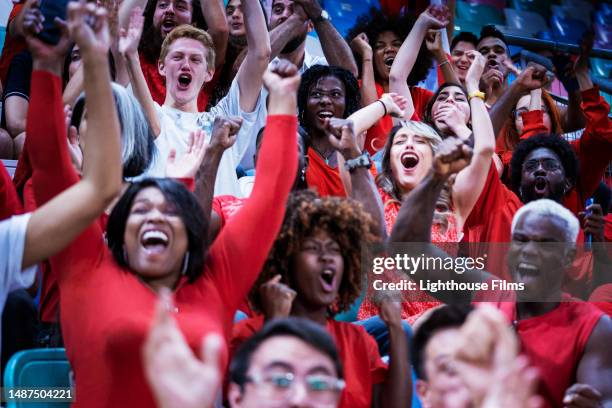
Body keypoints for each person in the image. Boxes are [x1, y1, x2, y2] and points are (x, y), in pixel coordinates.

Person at [27, 13, 300, 397]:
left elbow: (270, 196)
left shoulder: (214, 281)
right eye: (140, 210)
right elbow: (47, 167)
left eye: (169, 211)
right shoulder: (89, 270)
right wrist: (45, 66)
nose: (155, 215)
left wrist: (284, 104)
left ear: (189, 227)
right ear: (118, 229)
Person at [389, 134, 612, 407]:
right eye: (521, 240)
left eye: (544, 243)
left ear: (567, 257)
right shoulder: (489, 293)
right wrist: (436, 176)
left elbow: (602, 400)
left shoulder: (592, 327)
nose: (529, 250)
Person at [0, 0, 122, 361]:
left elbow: (101, 187)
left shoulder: (4, 246)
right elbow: (49, 164)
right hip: (56, 334)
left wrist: (52, 64)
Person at [232, 188, 410, 408]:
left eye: (335, 249)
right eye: (313, 248)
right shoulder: (247, 335)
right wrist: (275, 325)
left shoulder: (358, 341)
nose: (327, 257)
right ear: (285, 261)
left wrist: (395, 327)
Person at [121, 1, 269, 196]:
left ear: (209, 73)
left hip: (221, 216)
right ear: (162, 67)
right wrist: (131, 57)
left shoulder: (223, 122)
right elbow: (152, 122)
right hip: (163, 214)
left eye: (195, 59)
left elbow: (261, 53)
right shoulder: (150, 116)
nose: (185, 65)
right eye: (177, 57)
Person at [142, 290, 346, 408]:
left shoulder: (355, 338)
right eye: (279, 381)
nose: (299, 398)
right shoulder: (241, 332)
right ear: (237, 397)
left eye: (319, 384)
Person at [347, 8, 435, 154]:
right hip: (369, 168)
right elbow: (372, 114)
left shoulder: (421, 96)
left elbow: (456, 100)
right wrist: (366, 56)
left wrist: (440, 54)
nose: (389, 49)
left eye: (396, 44)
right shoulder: (361, 87)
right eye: (379, 46)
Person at [118, 0, 228, 110]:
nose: (169, 10)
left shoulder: (200, 65)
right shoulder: (135, 59)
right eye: (162, 5)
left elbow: (220, 30)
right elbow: (121, 31)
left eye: (180, 7)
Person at [267, 0, 357, 76]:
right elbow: (260, 57)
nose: (285, 15)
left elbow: (349, 76)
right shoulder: (261, 65)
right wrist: (297, 17)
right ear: (268, 21)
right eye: (278, 10)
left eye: (293, 11)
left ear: (310, 25)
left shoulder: (322, 70)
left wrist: (316, 13)